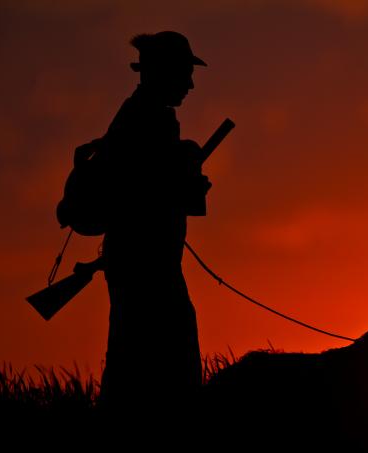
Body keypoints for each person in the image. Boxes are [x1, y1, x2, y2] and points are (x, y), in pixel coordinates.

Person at [97, 31, 210, 430]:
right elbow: (147, 191)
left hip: (138, 262)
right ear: (164, 72)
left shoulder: (139, 116)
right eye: (184, 72)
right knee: (167, 372)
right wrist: (186, 178)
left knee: (131, 365)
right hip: (149, 267)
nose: (191, 83)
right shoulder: (151, 120)